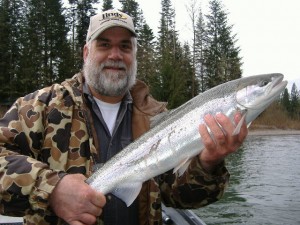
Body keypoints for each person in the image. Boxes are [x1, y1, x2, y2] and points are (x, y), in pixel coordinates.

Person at [0, 9, 248, 225]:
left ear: (134, 56)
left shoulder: (158, 118)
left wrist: (207, 164)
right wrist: (51, 188)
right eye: (104, 44)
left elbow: (179, 196)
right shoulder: (41, 107)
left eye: (125, 46)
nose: (115, 55)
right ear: (86, 52)